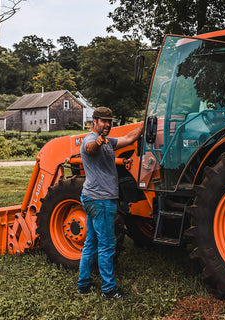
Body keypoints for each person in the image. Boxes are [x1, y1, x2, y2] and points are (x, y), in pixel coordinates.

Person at [77, 106, 143, 300]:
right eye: (103, 121)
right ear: (94, 122)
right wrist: (97, 142)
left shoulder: (108, 142)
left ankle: (83, 285)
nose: (107, 124)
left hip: (92, 197)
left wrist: (143, 125)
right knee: (106, 245)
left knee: (91, 243)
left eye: (109, 121)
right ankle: (108, 290)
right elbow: (90, 149)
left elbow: (128, 139)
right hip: (100, 200)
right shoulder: (91, 139)